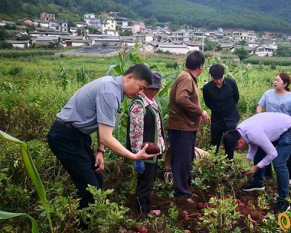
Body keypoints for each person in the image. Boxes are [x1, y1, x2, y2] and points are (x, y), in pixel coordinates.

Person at [47, 64, 157, 211]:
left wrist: (100, 151)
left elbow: (103, 123)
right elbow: (106, 137)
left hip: (79, 136)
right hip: (65, 137)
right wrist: (134, 156)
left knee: (97, 182)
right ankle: (83, 229)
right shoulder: (109, 92)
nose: (141, 93)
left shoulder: (114, 89)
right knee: (91, 191)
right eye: (141, 87)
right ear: (130, 77)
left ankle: (84, 219)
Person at [223, 112, 291, 214]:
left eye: (236, 149)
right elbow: (253, 142)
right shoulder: (240, 131)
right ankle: (257, 182)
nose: (237, 151)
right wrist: (248, 160)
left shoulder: (253, 133)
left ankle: (284, 200)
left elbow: (272, 153)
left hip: (290, 129)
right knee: (259, 152)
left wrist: (256, 167)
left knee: (279, 162)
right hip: (275, 129)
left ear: (240, 142)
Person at [167, 51, 210, 202]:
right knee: (182, 160)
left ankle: (186, 187)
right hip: (181, 127)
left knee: (187, 158)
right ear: (200, 66)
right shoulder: (186, 78)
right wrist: (200, 111)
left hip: (186, 126)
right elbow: (181, 98)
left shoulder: (187, 77)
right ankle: (181, 194)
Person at [126, 71, 165, 218]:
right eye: (153, 88)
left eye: (157, 89)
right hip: (144, 153)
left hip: (152, 153)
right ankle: (141, 214)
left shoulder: (151, 104)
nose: (156, 91)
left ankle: (146, 209)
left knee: (149, 182)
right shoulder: (139, 105)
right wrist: (138, 156)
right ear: (145, 87)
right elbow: (135, 133)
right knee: (144, 184)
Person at [256, 73, 291, 184]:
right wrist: (260, 115)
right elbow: (260, 106)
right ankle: (267, 174)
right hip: (270, 129)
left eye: (278, 80)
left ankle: (289, 177)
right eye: (275, 80)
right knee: (266, 150)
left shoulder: (290, 97)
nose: (275, 82)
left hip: (285, 130)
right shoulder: (268, 93)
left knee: (285, 153)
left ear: (285, 84)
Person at [203, 64, 240, 160]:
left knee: (230, 141)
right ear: (211, 77)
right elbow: (207, 103)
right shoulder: (207, 88)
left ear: (223, 75)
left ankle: (229, 164)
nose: (219, 81)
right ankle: (213, 163)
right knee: (214, 143)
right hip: (217, 119)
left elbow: (236, 98)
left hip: (231, 117)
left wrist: (229, 108)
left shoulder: (231, 83)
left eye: (220, 78)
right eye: (216, 79)